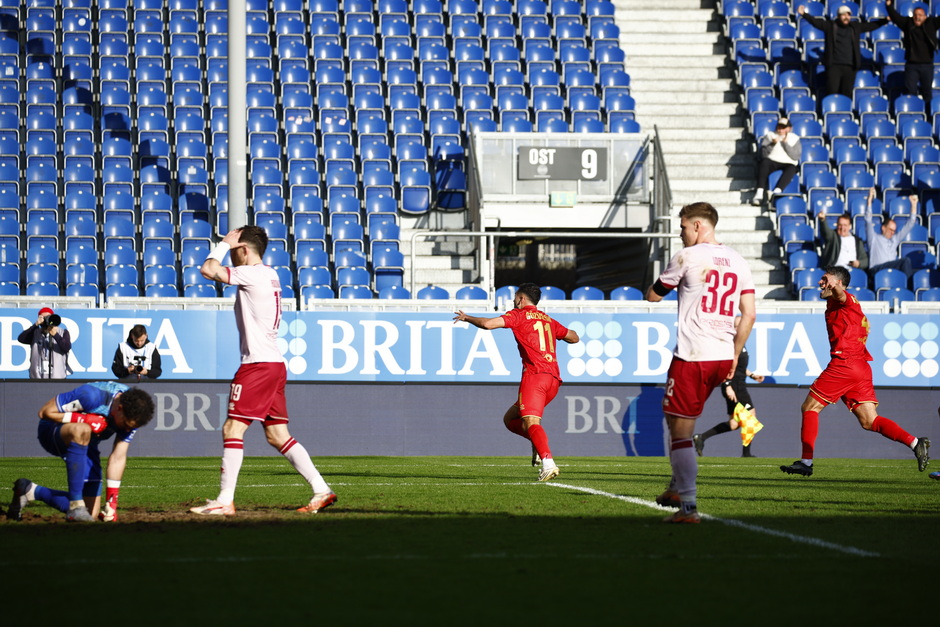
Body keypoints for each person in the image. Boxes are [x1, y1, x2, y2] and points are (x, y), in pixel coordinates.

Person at [191, 226, 336, 516]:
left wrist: (221, 244)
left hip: (257, 365)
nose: (231, 256)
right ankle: (321, 489)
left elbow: (208, 270)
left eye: (235, 250)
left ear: (244, 249)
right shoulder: (269, 274)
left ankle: (225, 499)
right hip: (274, 364)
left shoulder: (253, 273)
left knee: (233, 428)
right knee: (277, 435)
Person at [646, 202, 756, 523]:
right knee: (677, 419)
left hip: (694, 355)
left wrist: (660, 286)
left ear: (697, 226)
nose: (680, 234)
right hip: (723, 356)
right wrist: (736, 353)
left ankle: (688, 506)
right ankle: (676, 486)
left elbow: (654, 295)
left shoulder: (688, 257)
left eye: (682, 228)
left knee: (679, 431)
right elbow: (748, 314)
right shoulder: (738, 260)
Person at [780, 266, 930, 477]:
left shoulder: (845, 299)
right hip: (861, 367)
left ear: (838, 283)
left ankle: (806, 461)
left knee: (810, 406)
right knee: (870, 421)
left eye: (825, 279)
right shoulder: (841, 305)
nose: (820, 283)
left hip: (845, 363)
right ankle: (915, 443)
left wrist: (836, 289)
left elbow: (841, 295)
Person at [453, 283, 580, 482]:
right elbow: (574, 337)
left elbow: (488, 324)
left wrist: (467, 317)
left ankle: (548, 463)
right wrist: (559, 336)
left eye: (515, 298)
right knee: (510, 420)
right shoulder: (548, 320)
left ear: (521, 299)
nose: (513, 301)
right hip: (554, 380)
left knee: (530, 422)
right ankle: (539, 446)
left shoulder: (518, 315)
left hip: (535, 377)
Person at [7, 381, 155, 522]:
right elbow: (44, 412)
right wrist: (84, 419)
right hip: (52, 430)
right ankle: (75, 506)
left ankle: (29, 490)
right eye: (126, 425)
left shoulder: (134, 412)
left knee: (91, 513)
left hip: (87, 442)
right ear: (119, 408)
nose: (127, 430)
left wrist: (112, 502)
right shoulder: (92, 396)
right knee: (82, 429)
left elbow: (118, 457)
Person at [692, 320, 765, 458]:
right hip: (735, 388)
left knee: (733, 424)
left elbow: (737, 367)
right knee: (751, 418)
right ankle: (746, 454)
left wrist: (752, 375)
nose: (741, 328)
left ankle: (701, 437)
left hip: (739, 385)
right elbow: (723, 367)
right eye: (737, 326)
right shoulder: (729, 345)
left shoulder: (740, 343)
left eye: (742, 325)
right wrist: (727, 386)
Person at [798, 5, 889, 98]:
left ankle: (845, 112)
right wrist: (804, 14)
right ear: (838, 16)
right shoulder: (830, 26)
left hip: (850, 67)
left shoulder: (855, 27)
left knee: (846, 94)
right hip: (834, 67)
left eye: (848, 15)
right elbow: (817, 23)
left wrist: (885, 20)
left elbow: (870, 26)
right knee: (832, 93)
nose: (846, 17)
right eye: (843, 15)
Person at [886, 0, 939, 110]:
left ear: (925, 16)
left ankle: (928, 116)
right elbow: (896, 17)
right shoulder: (908, 23)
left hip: (927, 65)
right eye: (915, 15)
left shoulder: (932, 23)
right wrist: (888, 6)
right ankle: (913, 112)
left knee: (927, 92)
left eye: (920, 15)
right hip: (912, 65)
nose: (917, 17)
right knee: (911, 92)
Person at [865, 188, 918, 281]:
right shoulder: (874, 238)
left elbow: (910, 224)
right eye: (890, 229)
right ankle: (910, 288)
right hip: (877, 270)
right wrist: (869, 200)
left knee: (913, 271)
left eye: (894, 230)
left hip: (892, 270)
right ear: (883, 228)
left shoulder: (895, 239)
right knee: (905, 261)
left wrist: (914, 205)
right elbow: (868, 220)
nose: (892, 232)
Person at [752, 117, 801, 208]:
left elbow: (795, 156)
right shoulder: (770, 135)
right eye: (779, 127)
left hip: (788, 162)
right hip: (772, 160)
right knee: (764, 163)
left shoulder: (794, 138)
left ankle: (777, 191)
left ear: (789, 128)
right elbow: (763, 154)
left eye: (783, 127)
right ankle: (759, 192)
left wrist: (785, 144)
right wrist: (772, 144)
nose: (780, 129)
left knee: (792, 168)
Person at [17, 307, 72, 379]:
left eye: (48, 317)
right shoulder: (35, 332)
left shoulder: (62, 332)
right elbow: (21, 339)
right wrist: (35, 325)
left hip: (58, 377)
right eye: (44, 317)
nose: (46, 320)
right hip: (37, 377)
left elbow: (67, 347)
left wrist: (55, 335)